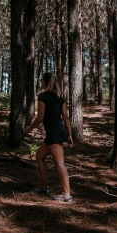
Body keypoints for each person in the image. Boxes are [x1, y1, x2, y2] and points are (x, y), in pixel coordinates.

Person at [24, 72, 74, 203]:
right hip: (58, 131)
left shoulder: (43, 96)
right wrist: (69, 134)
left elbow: (40, 117)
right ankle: (44, 188)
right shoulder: (59, 98)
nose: (41, 82)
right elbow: (66, 117)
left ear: (45, 82)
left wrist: (29, 129)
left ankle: (67, 195)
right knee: (39, 156)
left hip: (55, 132)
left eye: (41, 80)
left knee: (59, 163)